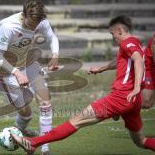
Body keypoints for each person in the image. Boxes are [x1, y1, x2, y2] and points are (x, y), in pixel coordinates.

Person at [11, 15, 155, 154]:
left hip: (122, 97)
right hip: (133, 101)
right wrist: (102, 68)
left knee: (76, 121)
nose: (113, 38)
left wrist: (136, 87)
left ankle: (33, 143)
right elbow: (123, 60)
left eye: (113, 34)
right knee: (141, 141)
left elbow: (138, 60)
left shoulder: (126, 44)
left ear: (120, 30)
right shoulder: (134, 42)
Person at [0, 0, 59, 155]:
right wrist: (16, 72)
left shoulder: (40, 21)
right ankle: (18, 131)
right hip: (5, 70)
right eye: (31, 23)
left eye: (37, 24)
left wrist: (55, 55)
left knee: (45, 102)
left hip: (28, 62)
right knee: (25, 113)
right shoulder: (8, 26)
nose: (34, 27)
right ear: (24, 15)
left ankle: (45, 148)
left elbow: (52, 37)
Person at [88, 34, 155, 111]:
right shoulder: (128, 45)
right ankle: (111, 104)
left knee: (148, 103)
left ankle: (116, 106)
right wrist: (102, 68)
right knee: (146, 102)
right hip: (149, 65)